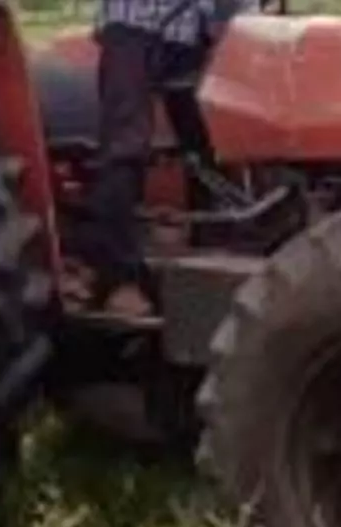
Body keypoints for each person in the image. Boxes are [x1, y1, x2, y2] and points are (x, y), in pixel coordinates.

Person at [83, 0, 257, 322]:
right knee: (125, 146)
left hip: (194, 31)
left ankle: (214, 251)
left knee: (212, 145)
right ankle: (120, 280)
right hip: (134, 25)